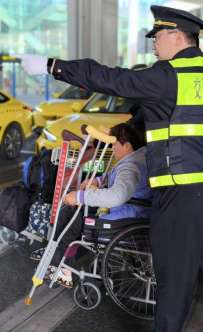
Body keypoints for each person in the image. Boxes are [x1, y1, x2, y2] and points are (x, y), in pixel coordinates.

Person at [13, 5, 203, 332]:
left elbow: (110, 78)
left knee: (174, 279)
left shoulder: (168, 75)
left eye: (157, 37)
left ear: (178, 37)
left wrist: (53, 66)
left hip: (180, 193)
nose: (153, 45)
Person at [31, 123, 153, 288]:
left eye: (114, 144)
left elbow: (117, 196)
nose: (112, 148)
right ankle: (54, 256)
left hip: (126, 217)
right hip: (128, 212)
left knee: (73, 221)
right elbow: (116, 179)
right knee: (69, 214)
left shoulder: (130, 167)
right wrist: (97, 180)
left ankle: (61, 268)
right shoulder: (135, 160)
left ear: (127, 145)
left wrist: (80, 196)